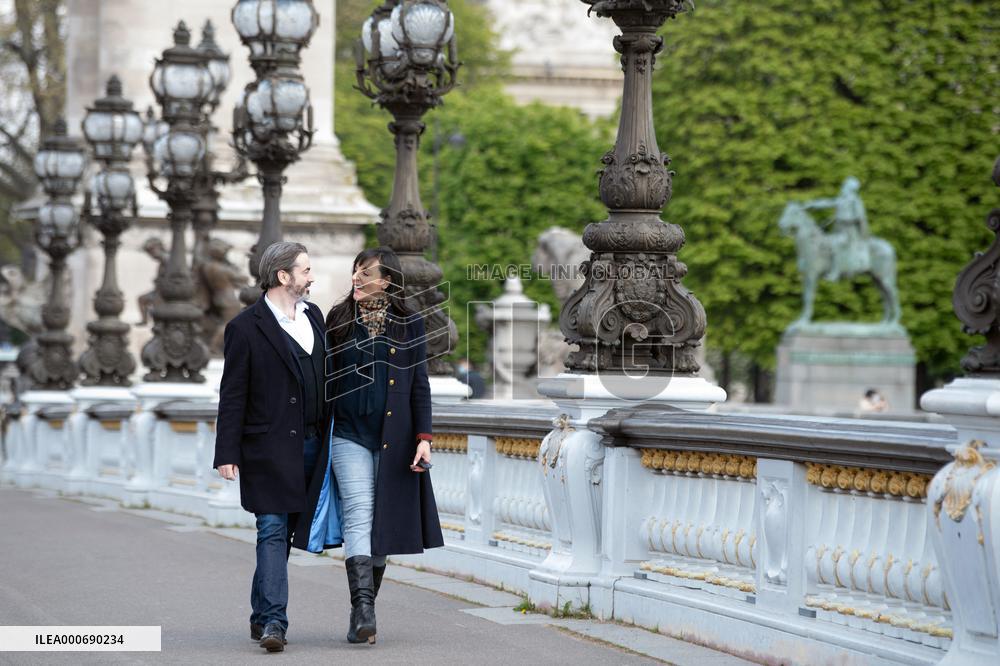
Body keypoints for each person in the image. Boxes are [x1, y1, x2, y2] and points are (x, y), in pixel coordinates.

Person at [291, 246, 443, 645]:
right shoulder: (337, 319)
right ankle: (364, 611)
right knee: (360, 515)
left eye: (365, 273)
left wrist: (424, 439)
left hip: (394, 441)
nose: (356, 279)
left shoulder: (409, 323)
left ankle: (362, 608)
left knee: (384, 523)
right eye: (355, 272)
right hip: (347, 435)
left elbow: (420, 386)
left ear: (387, 280)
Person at [213, 241, 337, 653]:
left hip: (313, 445)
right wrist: (226, 452)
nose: (312, 277)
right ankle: (273, 622)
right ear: (283, 276)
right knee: (271, 529)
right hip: (266, 447)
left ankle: (259, 614)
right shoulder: (245, 328)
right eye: (305, 270)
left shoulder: (314, 317)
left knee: (284, 537)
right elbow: (233, 394)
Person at [803, 176, 869, 281]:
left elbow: (860, 217)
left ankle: (836, 271)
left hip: (849, 231)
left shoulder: (855, 201)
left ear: (850, 188)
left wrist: (846, 219)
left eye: (845, 186)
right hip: (839, 229)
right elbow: (827, 202)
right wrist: (813, 204)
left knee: (835, 244)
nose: (842, 188)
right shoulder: (842, 199)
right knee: (824, 241)